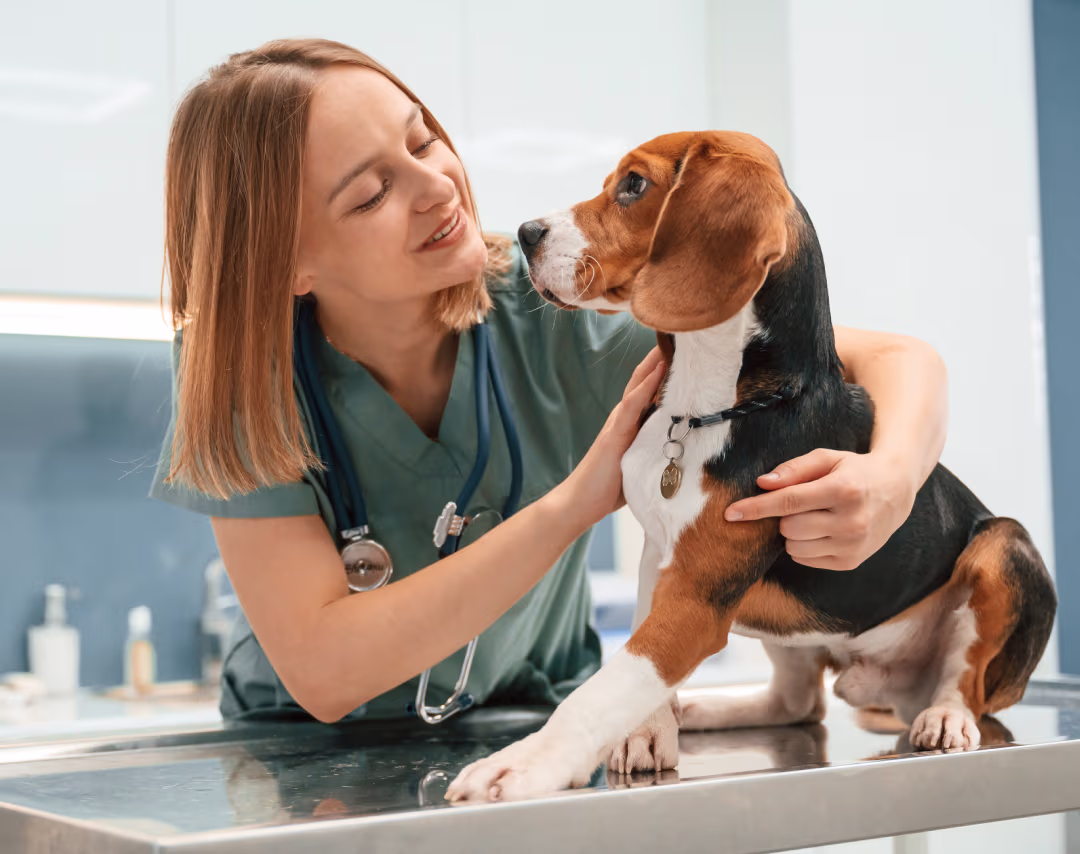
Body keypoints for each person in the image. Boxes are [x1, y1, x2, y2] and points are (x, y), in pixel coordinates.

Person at [149, 39, 949, 725]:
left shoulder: (550, 309)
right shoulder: (240, 376)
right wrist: (577, 504)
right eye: (372, 193)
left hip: (533, 728)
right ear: (285, 263)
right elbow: (326, 673)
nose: (437, 186)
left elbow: (894, 359)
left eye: (423, 141)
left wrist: (890, 477)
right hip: (301, 769)